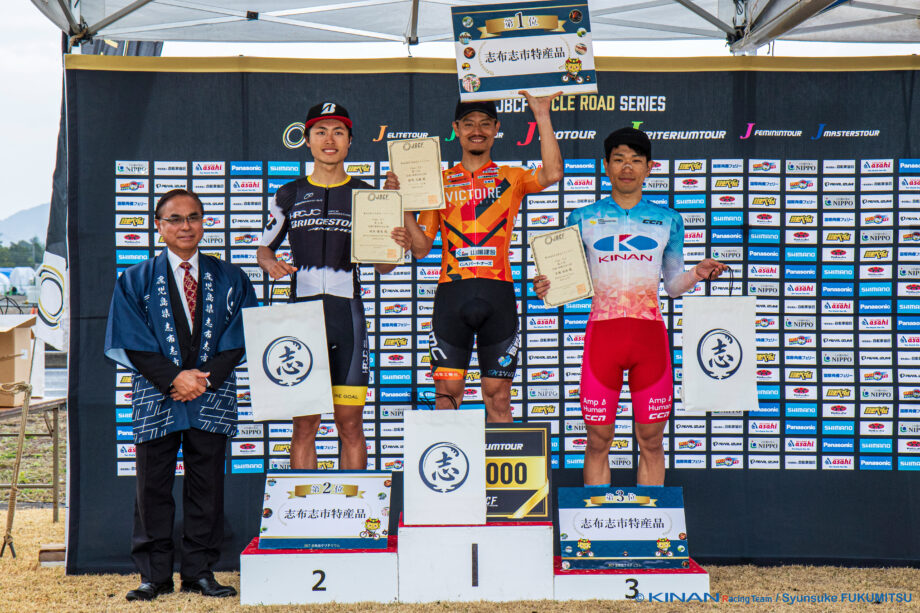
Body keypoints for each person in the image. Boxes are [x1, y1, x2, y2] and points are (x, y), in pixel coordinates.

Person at [534, 127, 728, 487]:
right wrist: (547, 286)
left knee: (651, 441)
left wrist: (697, 274)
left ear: (649, 167)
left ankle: (651, 522)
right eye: (619, 159)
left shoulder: (668, 219)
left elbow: (672, 286)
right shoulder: (582, 217)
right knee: (598, 440)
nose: (627, 167)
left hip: (649, 338)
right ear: (605, 166)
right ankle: (594, 521)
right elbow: (568, 281)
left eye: (636, 160)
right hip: (602, 338)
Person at [105, 189, 257, 600]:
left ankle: (199, 572)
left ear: (204, 222)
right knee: (152, 488)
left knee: (207, 487)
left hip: (211, 394)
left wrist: (202, 380)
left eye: (193, 217)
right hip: (156, 396)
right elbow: (130, 339)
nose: (185, 226)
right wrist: (174, 378)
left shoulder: (231, 278)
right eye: (175, 219)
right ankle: (153, 576)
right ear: (159, 226)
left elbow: (242, 333)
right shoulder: (135, 279)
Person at [388, 92, 563, 422]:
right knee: (446, 398)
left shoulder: (512, 177)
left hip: (498, 294)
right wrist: (404, 202)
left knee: (499, 398)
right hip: (452, 296)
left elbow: (552, 173)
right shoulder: (438, 184)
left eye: (485, 124)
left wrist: (541, 114)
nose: (477, 131)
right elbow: (421, 248)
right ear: (456, 129)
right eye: (469, 124)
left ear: (496, 128)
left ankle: (500, 456)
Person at [257, 101, 411, 470]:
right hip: (303, 318)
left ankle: (354, 506)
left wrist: (398, 245)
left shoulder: (366, 194)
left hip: (348, 317)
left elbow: (384, 266)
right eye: (321, 132)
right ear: (307, 140)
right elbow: (264, 248)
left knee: (351, 424)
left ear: (350, 141)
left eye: (338, 132)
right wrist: (269, 263)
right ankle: (304, 506)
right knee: (304, 425)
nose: (330, 140)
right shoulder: (288, 193)